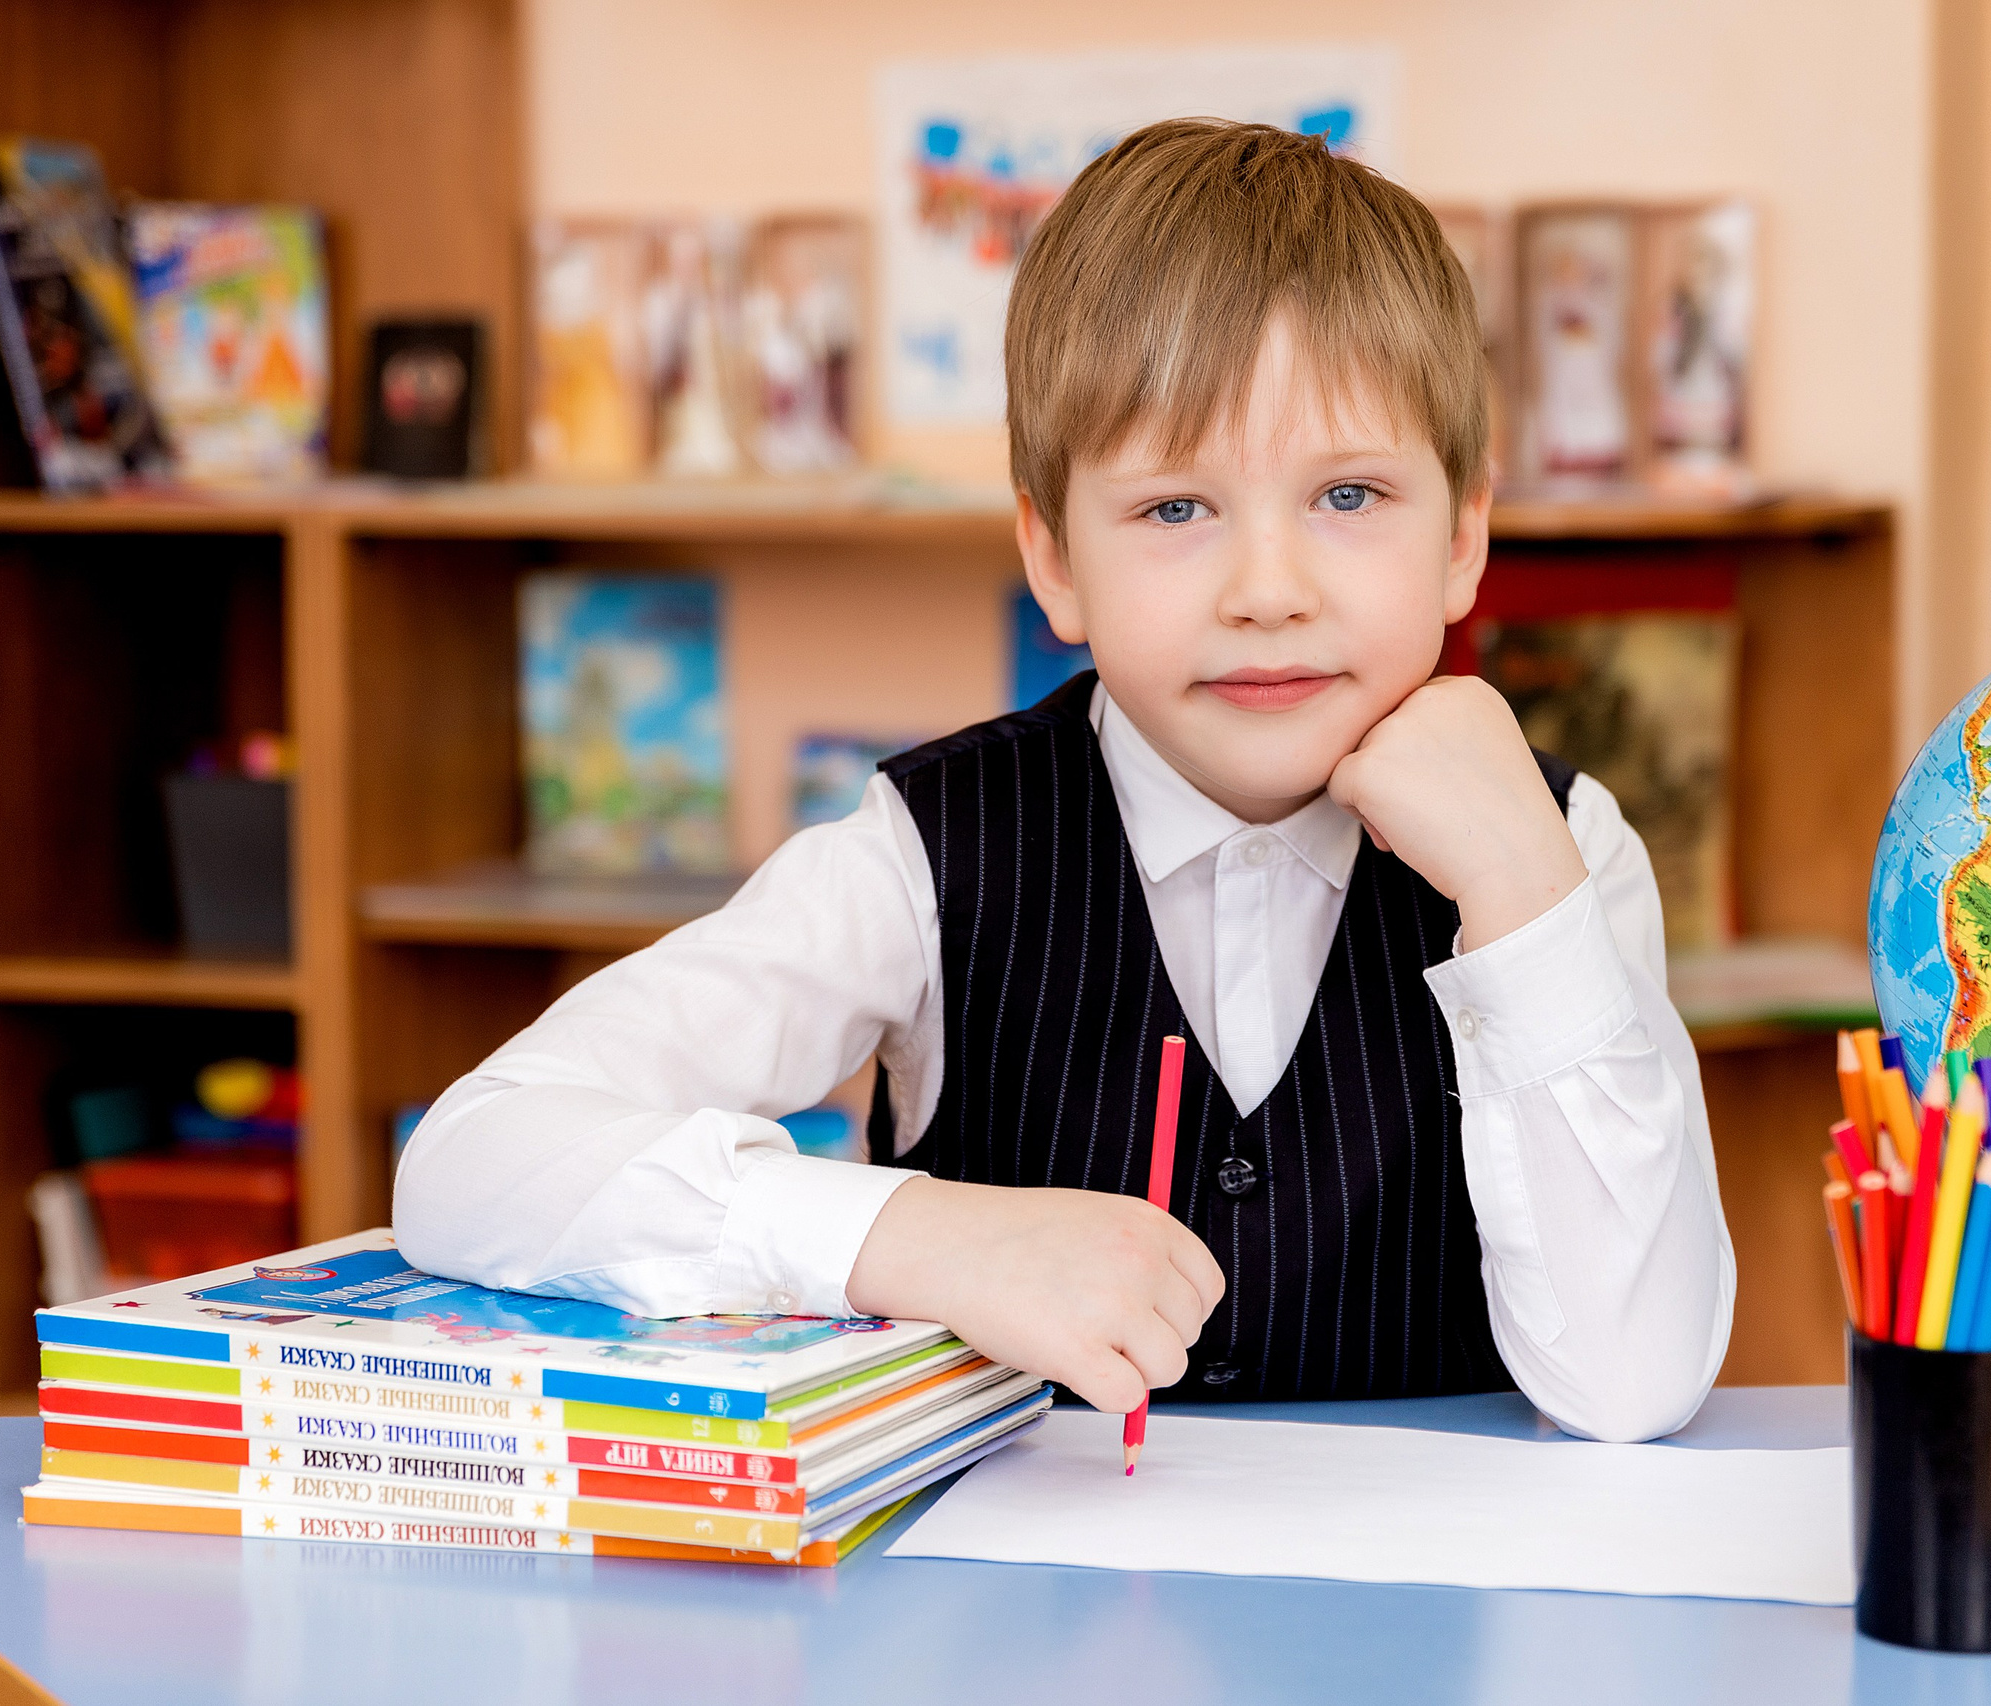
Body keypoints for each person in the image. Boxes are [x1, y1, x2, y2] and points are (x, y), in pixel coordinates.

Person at [397, 119, 1733, 1444]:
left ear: (1465, 535)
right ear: (1053, 560)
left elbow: (1633, 1381)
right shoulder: (927, 851)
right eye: (1174, 510)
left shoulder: (1564, 847)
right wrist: (911, 1236)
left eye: (1349, 497)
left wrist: (1520, 896)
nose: (1269, 592)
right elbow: (475, 1156)